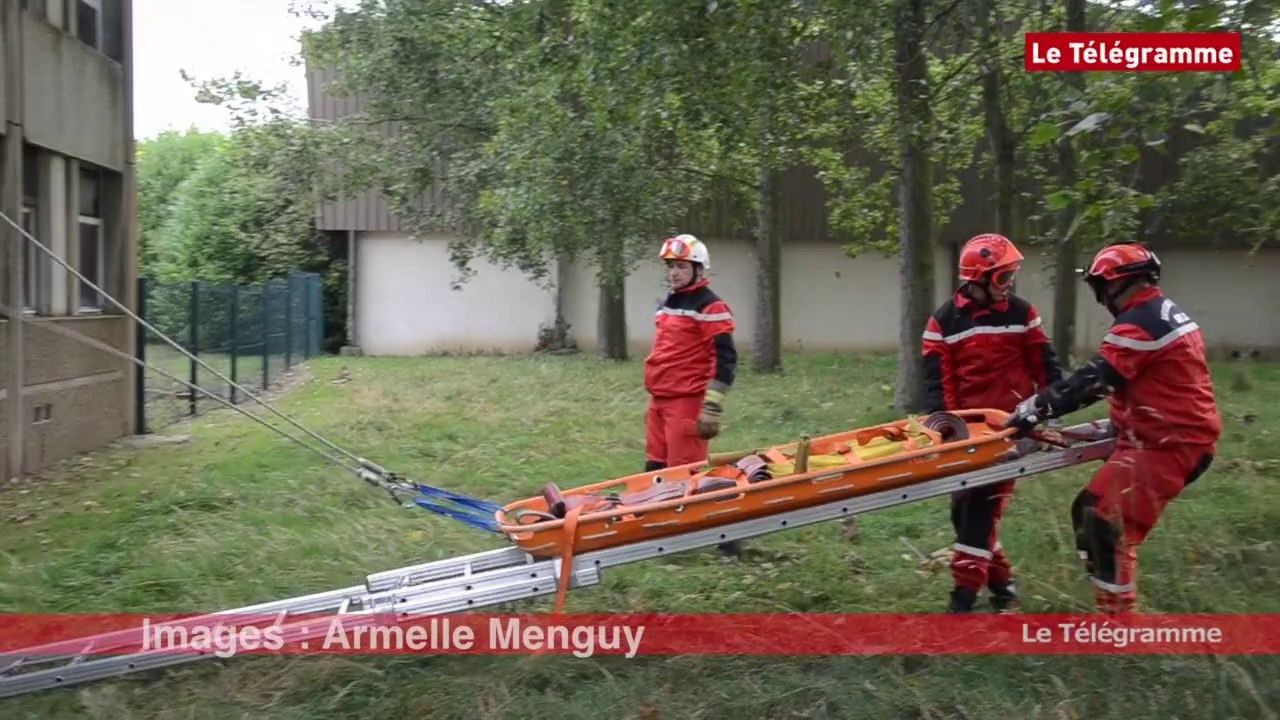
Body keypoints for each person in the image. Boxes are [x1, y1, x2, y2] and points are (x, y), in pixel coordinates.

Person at [1005, 242, 1219, 614]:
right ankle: (1111, 604)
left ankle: (1117, 625)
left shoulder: (1143, 323)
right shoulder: (1159, 313)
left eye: (1099, 286)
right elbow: (1145, 387)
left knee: (1103, 521)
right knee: (1090, 513)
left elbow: (1097, 380)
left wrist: (1034, 409)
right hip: (1161, 433)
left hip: (1170, 445)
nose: (1099, 295)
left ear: (1116, 283)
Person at [922, 233, 1063, 613]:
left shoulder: (1022, 313)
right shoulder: (943, 320)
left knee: (981, 507)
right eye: (1002, 278)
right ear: (976, 279)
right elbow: (938, 381)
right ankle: (1002, 583)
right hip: (968, 434)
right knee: (962, 511)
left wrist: (1048, 411)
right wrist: (947, 428)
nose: (1008, 287)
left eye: (1011, 277)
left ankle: (963, 599)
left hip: (1014, 430)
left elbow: (1046, 367)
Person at [643, 234, 741, 557]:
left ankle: (727, 538)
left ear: (698, 268)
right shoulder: (669, 303)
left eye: (681, 266)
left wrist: (712, 405)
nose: (674, 272)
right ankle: (659, 533)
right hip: (659, 400)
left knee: (686, 474)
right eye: (671, 266)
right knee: (655, 470)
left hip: (687, 402)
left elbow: (725, 358)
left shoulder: (710, 306)